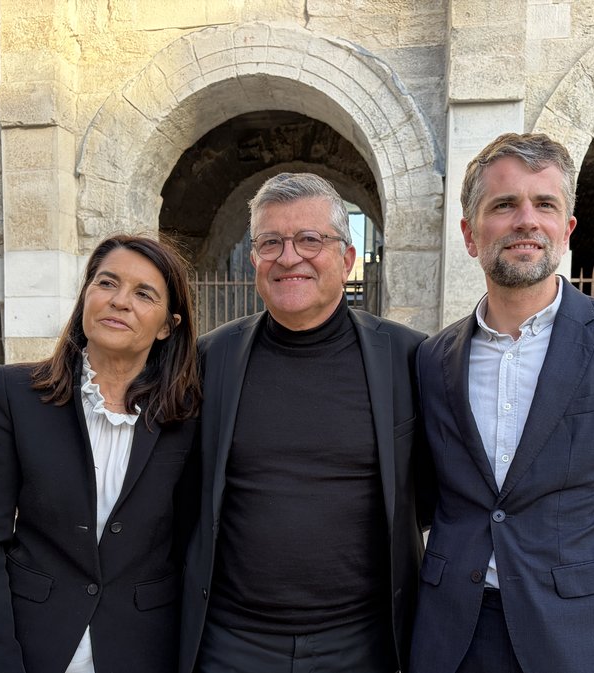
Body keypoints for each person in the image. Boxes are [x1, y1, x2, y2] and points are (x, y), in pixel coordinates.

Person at [410, 133, 594, 673]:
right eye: (504, 204)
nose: (526, 220)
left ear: (566, 230)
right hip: (454, 639)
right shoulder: (433, 358)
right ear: (470, 235)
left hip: (584, 640)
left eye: (544, 204)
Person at [179, 172, 430, 673]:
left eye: (309, 239)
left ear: (347, 258)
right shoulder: (210, 358)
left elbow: (431, 494)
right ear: (255, 259)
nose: (289, 257)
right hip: (232, 643)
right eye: (270, 242)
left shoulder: (408, 358)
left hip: (363, 645)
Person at [0, 234, 201, 673]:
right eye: (107, 283)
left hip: (143, 652)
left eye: (144, 294)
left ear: (168, 325)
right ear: (86, 294)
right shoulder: (17, 394)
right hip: (31, 648)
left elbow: (190, 547)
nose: (119, 301)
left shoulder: (186, 417)